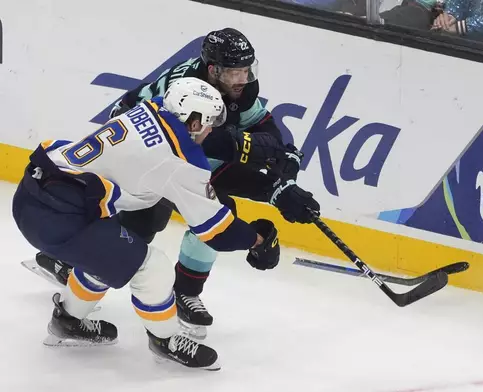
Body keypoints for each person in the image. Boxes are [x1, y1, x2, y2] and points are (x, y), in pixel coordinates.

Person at [28, 27, 320, 337]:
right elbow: (204, 147)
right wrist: (268, 185)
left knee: (199, 209)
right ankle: (72, 259)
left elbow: (261, 131)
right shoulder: (186, 89)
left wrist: (281, 168)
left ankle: (184, 290)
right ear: (213, 70)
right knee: (146, 223)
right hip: (143, 150)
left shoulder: (236, 88)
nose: (243, 79)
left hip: (167, 152)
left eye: (247, 70)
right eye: (236, 72)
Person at [12, 77, 281, 370]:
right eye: (209, 123)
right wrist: (257, 240)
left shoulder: (148, 108)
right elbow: (216, 231)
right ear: (192, 122)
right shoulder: (181, 159)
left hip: (33, 191)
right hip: (60, 217)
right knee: (153, 269)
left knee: (108, 255)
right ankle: (166, 342)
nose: (211, 130)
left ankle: (68, 321)